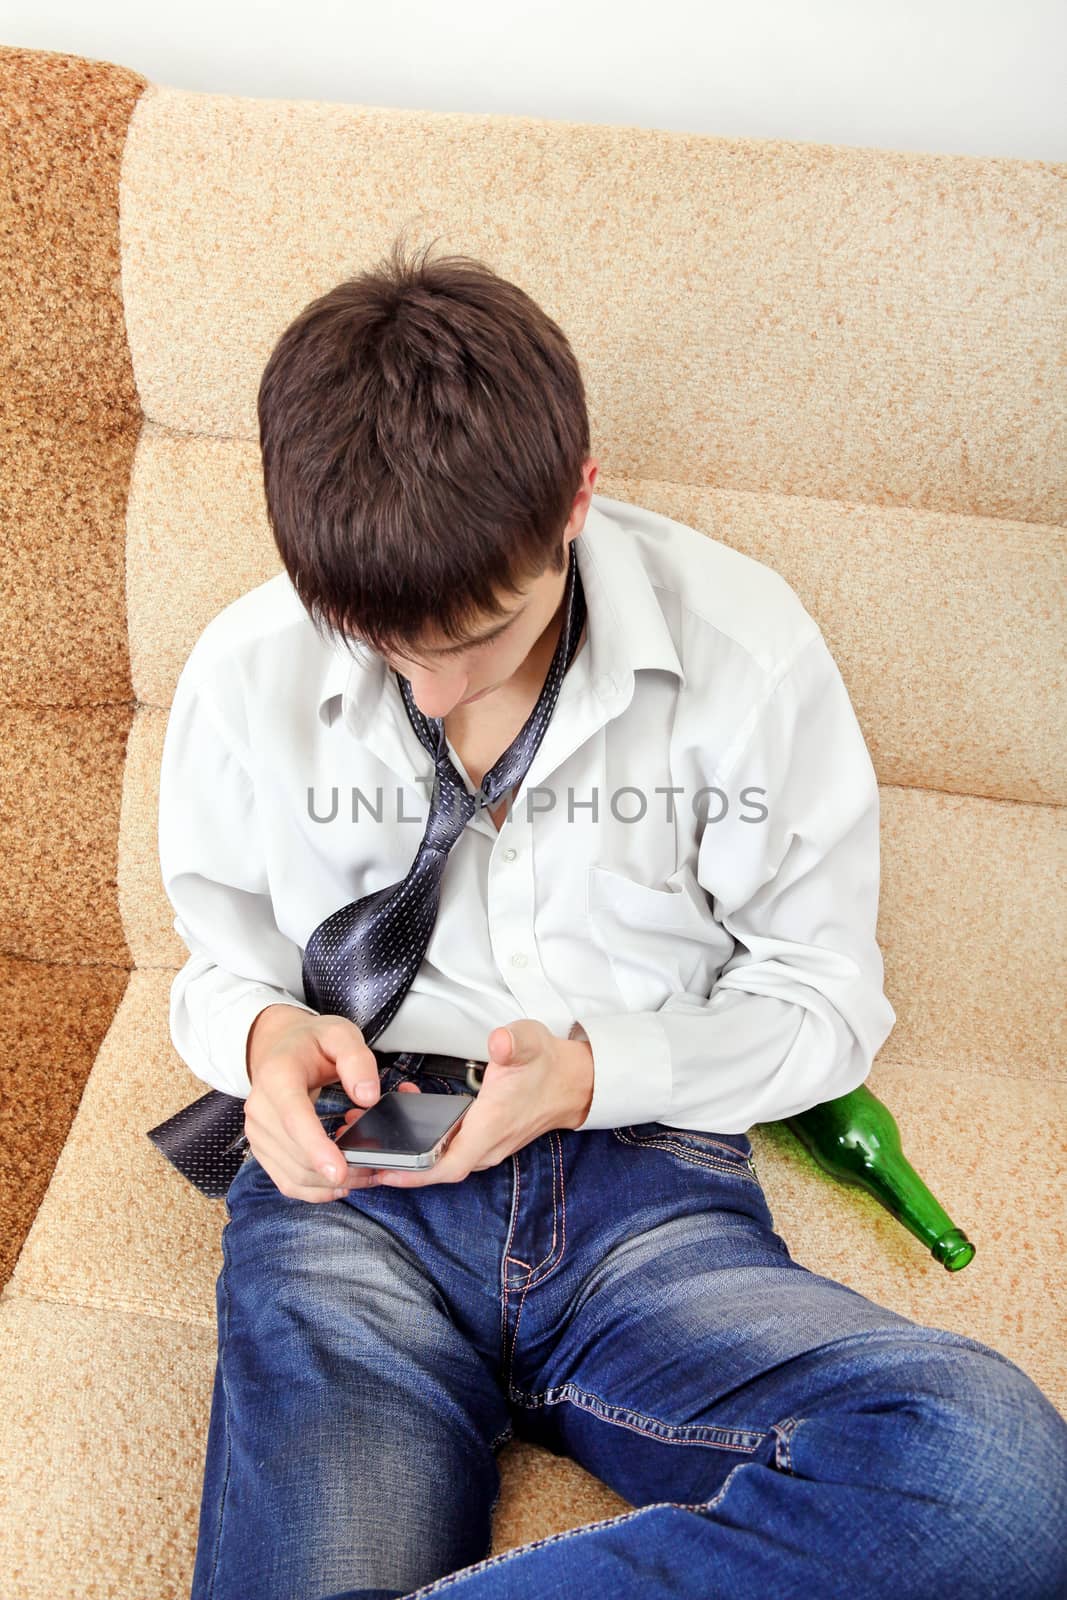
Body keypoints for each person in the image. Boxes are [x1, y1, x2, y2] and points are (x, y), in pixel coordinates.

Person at [162, 235, 1067, 1600]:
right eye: (382, 643)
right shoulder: (246, 667)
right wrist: (261, 1036)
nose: (428, 691)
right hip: (357, 1197)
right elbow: (212, 964)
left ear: (577, 501)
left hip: (646, 1191)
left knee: (996, 1479)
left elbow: (826, 1000)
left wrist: (591, 1077)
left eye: (477, 633)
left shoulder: (744, 650)